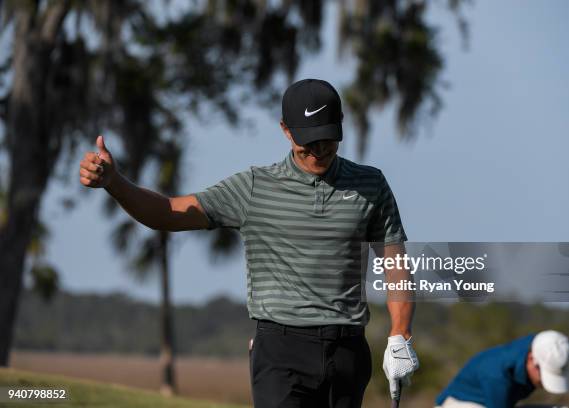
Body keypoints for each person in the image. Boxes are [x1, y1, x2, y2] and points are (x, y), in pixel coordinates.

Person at [79, 78, 418, 407]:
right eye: (308, 142)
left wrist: (399, 335)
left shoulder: (370, 185)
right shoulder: (254, 188)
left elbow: (395, 266)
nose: (318, 150)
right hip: (281, 351)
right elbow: (169, 212)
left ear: (341, 124)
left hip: (347, 350)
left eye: (327, 139)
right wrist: (115, 183)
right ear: (285, 130)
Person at [435, 311, 569, 408]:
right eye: (545, 375)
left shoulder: (558, 351)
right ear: (531, 360)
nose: (545, 383)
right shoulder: (497, 374)